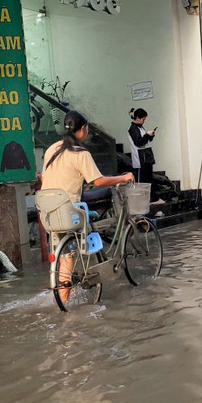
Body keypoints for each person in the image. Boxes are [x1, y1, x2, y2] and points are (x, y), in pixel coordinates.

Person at [42, 111, 135, 299]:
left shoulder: (52, 149)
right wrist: (123, 177)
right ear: (83, 129)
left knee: (63, 247)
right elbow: (98, 181)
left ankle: (65, 287)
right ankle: (64, 304)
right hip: (67, 213)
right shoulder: (80, 153)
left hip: (47, 212)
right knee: (68, 255)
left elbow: (45, 178)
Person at [128, 108, 161, 204]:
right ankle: (142, 200)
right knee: (142, 181)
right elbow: (138, 142)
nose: (143, 121)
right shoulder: (133, 129)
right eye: (143, 119)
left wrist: (151, 136)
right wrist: (147, 135)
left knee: (149, 179)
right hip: (140, 158)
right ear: (137, 118)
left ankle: (150, 197)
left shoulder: (140, 127)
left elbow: (145, 140)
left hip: (146, 156)